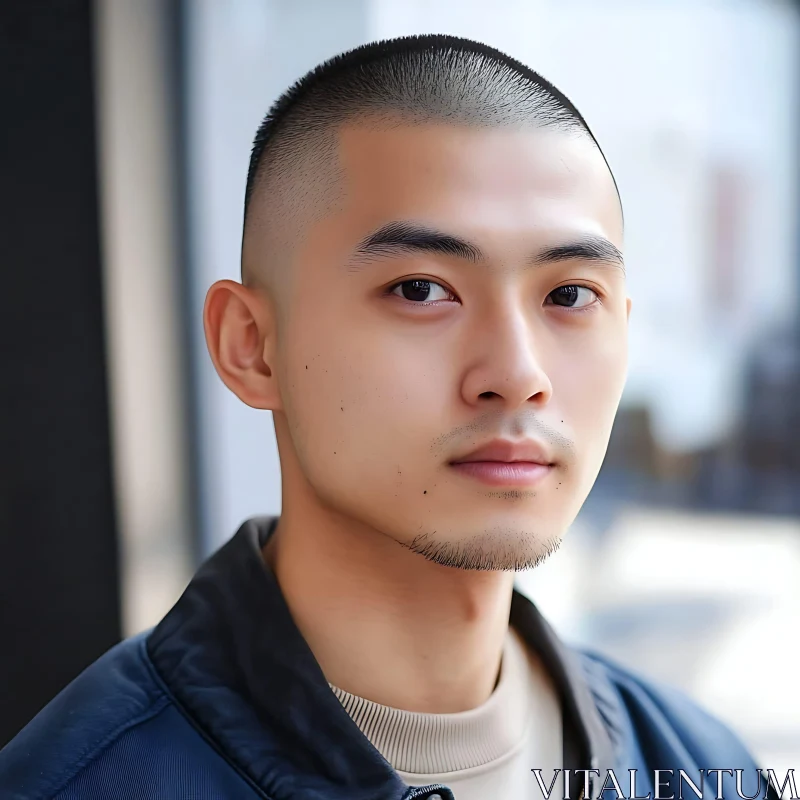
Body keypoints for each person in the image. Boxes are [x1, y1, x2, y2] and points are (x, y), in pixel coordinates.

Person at [0, 34, 774, 800]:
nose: (517, 375)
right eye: (420, 290)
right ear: (253, 348)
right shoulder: (84, 783)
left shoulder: (700, 765)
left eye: (569, 296)